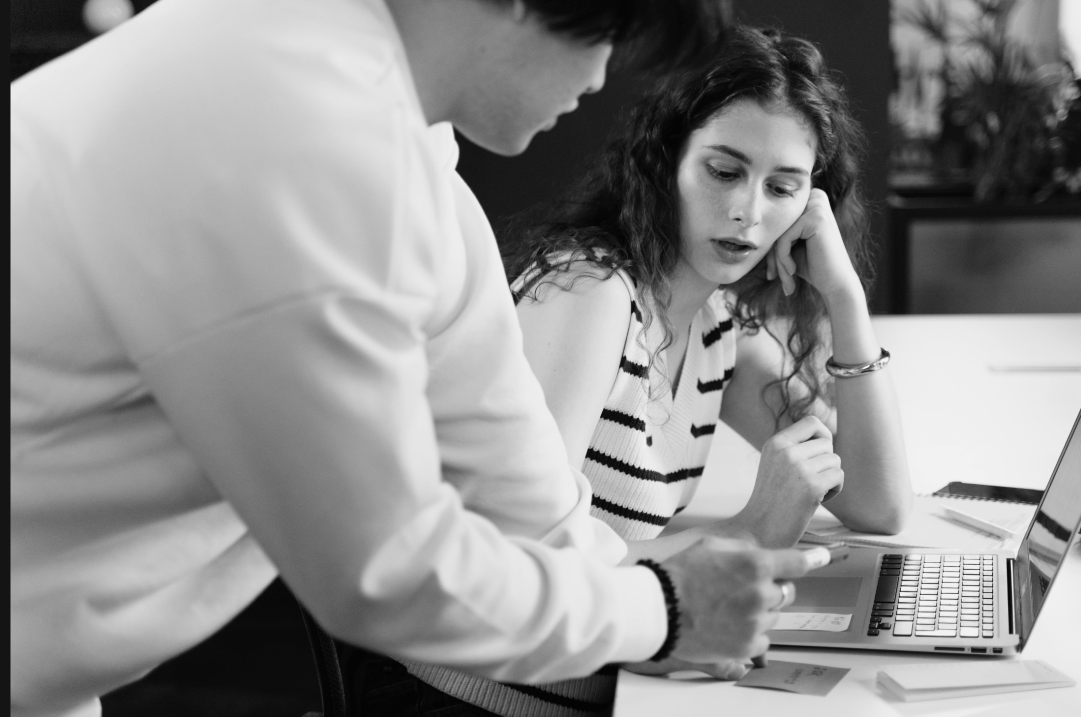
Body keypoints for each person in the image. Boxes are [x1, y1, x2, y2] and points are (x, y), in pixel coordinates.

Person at [10, 2, 812, 716]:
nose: (601, 77)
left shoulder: (406, 153)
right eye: (603, 34)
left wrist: (667, 599)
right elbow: (386, 572)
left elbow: (525, 494)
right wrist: (661, 612)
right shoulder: (294, 125)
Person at [342, 24, 916, 715]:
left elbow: (875, 503)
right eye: (723, 170)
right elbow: (526, 554)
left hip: (606, 685)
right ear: (665, 162)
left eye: (782, 187)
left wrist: (845, 297)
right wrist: (750, 527)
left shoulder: (716, 327)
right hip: (474, 698)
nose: (746, 210)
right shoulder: (591, 289)